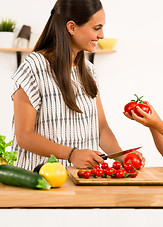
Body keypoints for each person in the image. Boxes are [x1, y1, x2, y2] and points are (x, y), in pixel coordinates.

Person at [11, 0, 144, 170]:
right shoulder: (34, 67)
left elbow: (101, 129)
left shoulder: (89, 71)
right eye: (96, 28)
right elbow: (24, 136)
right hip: (41, 180)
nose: (102, 35)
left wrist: (122, 155)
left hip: (81, 180)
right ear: (72, 27)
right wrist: (71, 154)